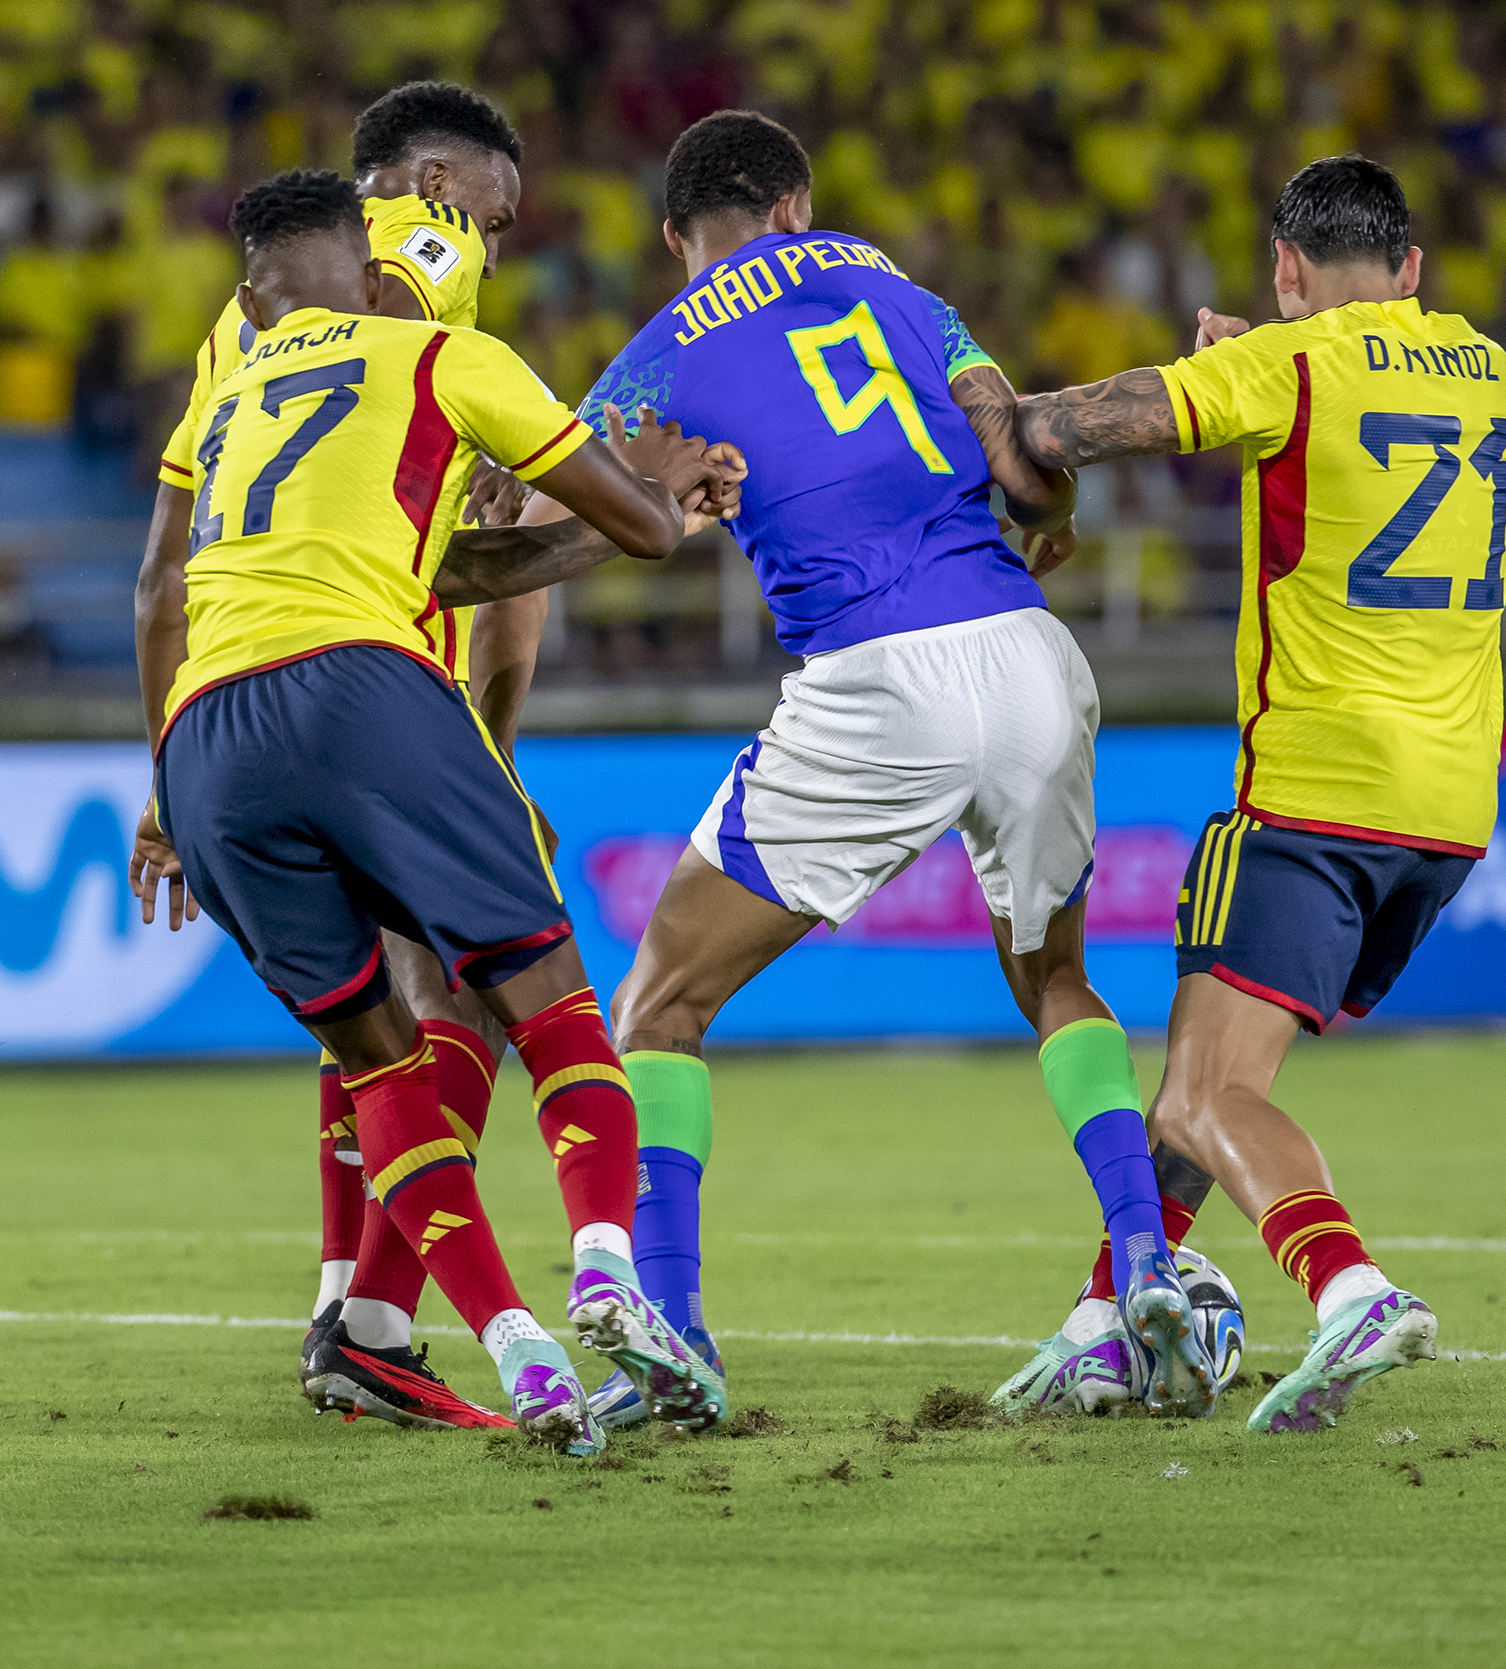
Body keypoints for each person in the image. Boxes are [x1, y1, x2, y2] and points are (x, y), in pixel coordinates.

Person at [567, 110, 1220, 1426]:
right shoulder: (905, 293)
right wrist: (1063, 521)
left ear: (676, 236)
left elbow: (565, 511)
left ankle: (677, 1331)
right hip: (1029, 654)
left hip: (875, 674)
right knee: (1058, 980)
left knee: (657, 1009)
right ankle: (1145, 1258)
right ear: (797, 203)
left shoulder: (652, 359)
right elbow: (1029, 471)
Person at [128, 169, 734, 1454]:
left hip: (205, 743)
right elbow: (629, 529)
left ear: (251, 296)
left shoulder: (227, 392)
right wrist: (664, 482)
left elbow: (156, 592)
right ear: (373, 264)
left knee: (372, 1057)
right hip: (365, 692)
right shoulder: (445, 351)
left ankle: (499, 1344)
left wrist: (162, 798)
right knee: (545, 998)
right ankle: (602, 1269)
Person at [1003, 154, 1506, 1434]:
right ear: (1409, 272)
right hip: (1448, 812)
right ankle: (1105, 1317)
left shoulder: (1279, 370)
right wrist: (1259, 363)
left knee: (1195, 1095)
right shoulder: (1491, 368)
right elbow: (1351, 416)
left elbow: (1055, 429)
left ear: (1284, 268)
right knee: (1217, 1073)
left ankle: (1347, 1286)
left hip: (1310, 792)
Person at [158, 83, 554, 1431]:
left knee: (367, 1016)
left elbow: (170, 562)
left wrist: (158, 778)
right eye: (494, 216)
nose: (489, 248)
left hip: (230, 676)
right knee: (481, 980)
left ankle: (350, 1294)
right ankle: (380, 1316)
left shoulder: (244, 312)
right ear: (438, 179)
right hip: (373, 649)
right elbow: (426, 441)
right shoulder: (423, 253)